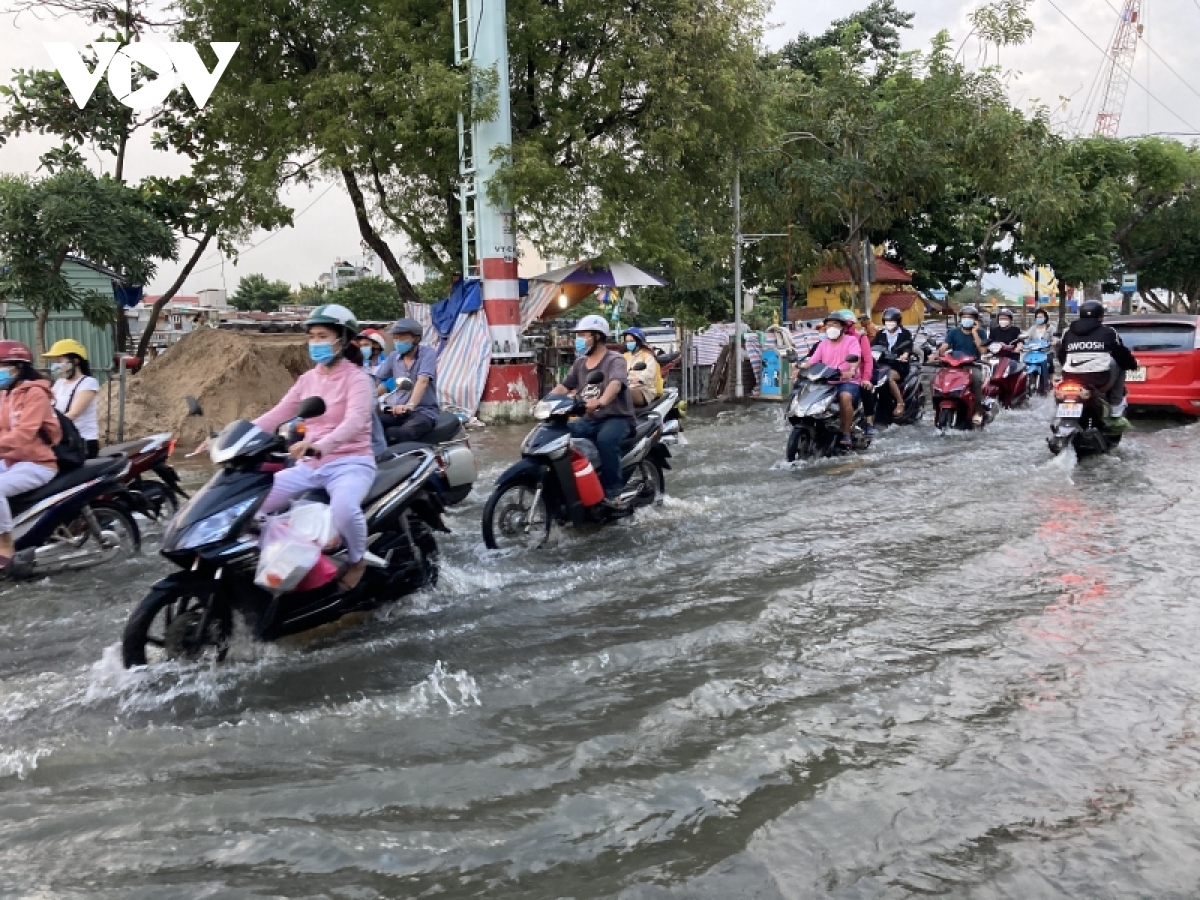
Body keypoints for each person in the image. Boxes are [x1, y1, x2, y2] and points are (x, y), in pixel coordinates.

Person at [251, 304, 376, 592]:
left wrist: (319, 446)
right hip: (309, 465)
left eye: (322, 336)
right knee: (249, 504)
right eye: (312, 337)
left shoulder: (357, 379)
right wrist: (233, 435)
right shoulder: (308, 380)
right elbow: (279, 412)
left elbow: (356, 420)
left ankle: (357, 560)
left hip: (351, 462)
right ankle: (281, 562)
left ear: (342, 340)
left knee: (344, 509)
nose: (316, 342)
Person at [549, 315, 635, 507]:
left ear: (597, 336)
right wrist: (545, 402)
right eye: (578, 335)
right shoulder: (580, 363)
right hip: (589, 419)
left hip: (617, 417)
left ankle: (613, 493)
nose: (578, 340)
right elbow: (564, 386)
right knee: (558, 435)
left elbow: (615, 383)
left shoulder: (615, 359)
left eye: (583, 335)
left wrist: (602, 400)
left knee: (606, 440)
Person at [0, 341, 60, 570]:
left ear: (18, 366)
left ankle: (5, 545)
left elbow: (24, 434)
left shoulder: (35, 393)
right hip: (11, 460)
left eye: (2, 365)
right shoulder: (5, 394)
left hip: (38, 463)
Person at [801, 312, 872, 450]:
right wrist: (800, 367)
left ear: (843, 328)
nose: (831, 328)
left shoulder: (851, 341)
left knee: (845, 397)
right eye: (828, 325)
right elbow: (812, 361)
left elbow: (856, 358)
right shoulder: (823, 344)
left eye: (835, 324)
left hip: (847, 381)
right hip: (826, 381)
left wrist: (851, 370)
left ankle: (845, 433)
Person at [1056, 300, 1137, 416]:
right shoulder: (1108, 332)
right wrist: (1132, 364)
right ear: (1100, 316)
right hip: (1099, 379)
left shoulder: (1068, 332)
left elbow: (1061, 356)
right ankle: (1116, 405)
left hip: (1071, 378)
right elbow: (1121, 354)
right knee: (1119, 363)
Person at [374, 318, 439, 443]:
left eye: (402, 338)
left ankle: (410, 461)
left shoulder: (428, 354)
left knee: (406, 431)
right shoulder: (393, 356)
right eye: (395, 338)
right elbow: (377, 378)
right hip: (397, 410)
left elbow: (423, 381)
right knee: (372, 424)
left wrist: (410, 405)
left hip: (423, 411)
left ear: (416, 338)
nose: (398, 342)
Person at [44, 339, 100, 458]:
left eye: (59, 361)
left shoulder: (88, 383)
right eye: (54, 362)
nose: (55, 365)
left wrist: (48, 427)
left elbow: (73, 414)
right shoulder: (59, 383)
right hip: (63, 441)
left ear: (75, 361)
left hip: (82, 443)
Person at [936, 305, 991, 424]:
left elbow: (983, 351)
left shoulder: (981, 333)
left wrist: (975, 333)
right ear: (960, 319)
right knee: (937, 379)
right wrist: (939, 352)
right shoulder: (953, 332)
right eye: (964, 317)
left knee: (976, 380)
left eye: (969, 317)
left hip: (972, 365)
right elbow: (945, 346)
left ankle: (977, 410)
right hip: (954, 365)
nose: (966, 319)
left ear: (975, 320)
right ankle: (936, 410)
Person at [871, 307, 913, 418]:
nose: (889, 323)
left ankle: (900, 403)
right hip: (882, 364)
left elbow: (908, 347)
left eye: (892, 321)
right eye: (887, 321)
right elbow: (873, 346)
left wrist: (905, 355)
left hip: (898, 365)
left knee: (888, 377)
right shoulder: (880, 334)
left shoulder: (905, 333)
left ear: (898, 322)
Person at [621, 327, 662, 408]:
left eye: (631, 341)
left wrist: (639, 379)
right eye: (627, 341)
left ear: (638, 342)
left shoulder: (647, 356)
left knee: (625, 393)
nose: (629, 343)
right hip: (627, 386)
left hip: (645, 390)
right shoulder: (625, 356)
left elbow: (649, 374)